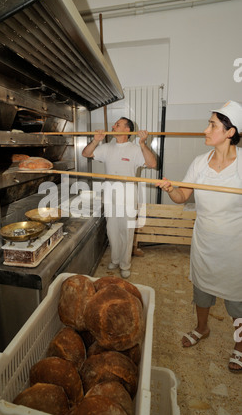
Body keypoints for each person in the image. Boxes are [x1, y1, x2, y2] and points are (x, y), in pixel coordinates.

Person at [156, 100, 242, 373]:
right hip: (204, 241)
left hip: (235, 246)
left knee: (237, 299)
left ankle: (240, 344)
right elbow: (182, 197)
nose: (205, 130)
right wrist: (170, 189)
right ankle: (202, 328)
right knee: (202, 290)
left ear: (230, 132)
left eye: (212, 125)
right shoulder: (198, 163)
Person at [82, 117, 157, 278]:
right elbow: (85, 153)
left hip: (128, 197)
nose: (113, 126)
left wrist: (143, 144)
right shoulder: (107, 147)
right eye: (114, 124)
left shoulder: (135, 149)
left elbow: (152, 164)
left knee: (127, 231)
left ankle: (125, 264)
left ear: (127, 130)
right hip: (110, 196)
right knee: (112, 230)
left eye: (117, 124)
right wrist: (95, 141)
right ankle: (115, 259)